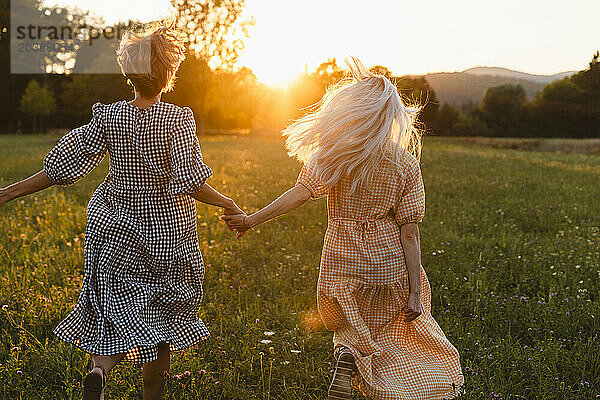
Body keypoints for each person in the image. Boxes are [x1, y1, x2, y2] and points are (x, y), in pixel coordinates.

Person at [0, 20, 243, 400]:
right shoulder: (177, 120)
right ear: (169, 73)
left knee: (117, 311)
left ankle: (99, 369)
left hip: (113, 227)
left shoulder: (111, 117)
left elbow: (66, 164)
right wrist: (227, 202)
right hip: (166, 236)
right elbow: (192, 181)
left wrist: (11, 191)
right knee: (163, 318)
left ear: (128, 75)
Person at [222, 58, 463, 399]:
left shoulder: (336, 153)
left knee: (347, 318)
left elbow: (299, 195)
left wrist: (250, 220)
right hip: (387, 258)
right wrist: (413, 290)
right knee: (389, 328)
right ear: (389, 116)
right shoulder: (404, 162)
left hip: (343, 254)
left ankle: (347, 352)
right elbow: (410, 232)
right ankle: (401, 384)